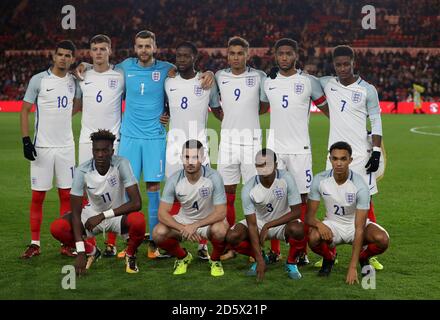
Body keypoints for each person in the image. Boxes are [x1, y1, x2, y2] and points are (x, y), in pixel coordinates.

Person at [77, 30, 214, 259]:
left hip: (155, 139)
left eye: (147, 46)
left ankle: (153, 243)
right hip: (129, 137)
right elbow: (100, 67)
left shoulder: (166, 70)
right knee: (118, 189)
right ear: (134, 47)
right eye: (139, 46)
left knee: (153, 190)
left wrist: (208, 72)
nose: (143, 50)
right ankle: (115, 242)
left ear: (155, 47)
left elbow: (186, 77)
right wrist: (83, 64)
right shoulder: (124, 68)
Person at [318, 45, 384, 270]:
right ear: (333, 65)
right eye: (339, 65)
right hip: (335, 155)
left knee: (367, 200)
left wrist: (376, 151)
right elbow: (303, 78)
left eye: (347, 64)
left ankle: (368, 254)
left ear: (354, 62)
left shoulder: (368, 89)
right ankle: (331, 250)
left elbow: (376, 121)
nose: (343, 68)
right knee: (331, 199)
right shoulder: (327, 83)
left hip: (361, 157)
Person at [263, 38, 329, 265]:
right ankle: (274, 250)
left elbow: (328, 109)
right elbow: (260, 107)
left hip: (300, 150)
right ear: (275, 55)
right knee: (274, 197)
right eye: (280, 53)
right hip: (275, 150)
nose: (284, 57)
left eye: (288, 53)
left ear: (296, 55)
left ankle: (301, 251)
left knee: (302, 200)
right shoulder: (268, 81)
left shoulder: (309, 81)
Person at [49, 130, 146, 274]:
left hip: (116, 215)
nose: (100, 155)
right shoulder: (82, 170)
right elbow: (75, 213)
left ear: (112, 151)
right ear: (92, 151)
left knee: (138, 221)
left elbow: (136, 203)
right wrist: (81, 251)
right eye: (97, 150)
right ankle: (92, 251)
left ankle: (130, 254)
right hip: (91, 214)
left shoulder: (121, 164)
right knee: (57, 228)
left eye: (105, 151)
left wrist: (102, 216)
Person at [20, 40, 81, 258]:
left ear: (73, 59)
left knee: (66, 195)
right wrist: (26, 140)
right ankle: (35, 243)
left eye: (68, 55)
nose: (64, 58)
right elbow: (25, 110)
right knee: (38, 196)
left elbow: (79, 104)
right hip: (42, 148)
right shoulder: (39, 80)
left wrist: (63, 117)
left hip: (65, 147)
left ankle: (66, 243)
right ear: (53, 56)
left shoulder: (75, 81)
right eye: (60, 54)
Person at [214, 36, 270, 260]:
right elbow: (215, 106)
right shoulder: (219, 76)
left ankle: (253, 244)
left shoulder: (259, 77)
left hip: (251, 144)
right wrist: (230, 120)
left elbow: (264, 105)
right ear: (227, 55)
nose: (235, 57)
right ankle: (230, 244)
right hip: (227, 143)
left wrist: (246, 118)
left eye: (240, 53)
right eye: (232, 53)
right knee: (227, 195)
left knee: (254, 195)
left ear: (248, 54)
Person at [164, 41, 221, 260]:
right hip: (174, 148)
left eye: (186, 56)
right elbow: (164, 108)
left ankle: (202, 245)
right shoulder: (169, 82)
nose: (181, 59)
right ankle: (176, 240)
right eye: (178, 55)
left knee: (204, 198)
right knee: (175, 197)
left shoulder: (206, 81)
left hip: (200, 148)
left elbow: (217, 109)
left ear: (195, 58)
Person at [306, 141, 389, 284]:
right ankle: (329, 257)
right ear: (330, 159)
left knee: (382, 239)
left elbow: (359, 227)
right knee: (313, 237)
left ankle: (363, 257)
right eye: (335, 158)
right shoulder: (319, 180)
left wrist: (352, 267)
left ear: (350, 160)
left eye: (343, 159)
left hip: (355, 225)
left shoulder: (360, 185)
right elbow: (308, 217)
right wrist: (320, 225)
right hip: (332, 225)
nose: (339, 163)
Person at [74, 34, 125, 257]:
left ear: (110, 51)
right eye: (95, 49)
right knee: (88, 190)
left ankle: (112, 242)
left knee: (114, 190)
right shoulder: (82, 75)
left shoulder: (120, 75)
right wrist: (80, 65)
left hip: (114, 141)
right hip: (87, 141)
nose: (99, 53)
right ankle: (90, 243)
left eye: (103, 49)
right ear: (90, 52)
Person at [225, 148, 305, 281]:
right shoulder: (249, 189)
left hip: (282, 222)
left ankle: (291, 262)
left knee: (300, 229)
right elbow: (251, 224)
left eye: (267, 164)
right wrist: (258, 258)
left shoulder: (286, 178)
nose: (264, 168)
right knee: (232, 237)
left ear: (276, 164)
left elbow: (297, 211)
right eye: (259, 165)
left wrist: (269, 225)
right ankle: (262, 257)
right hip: (259, 222)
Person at [153, 140, 228, 277]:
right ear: (182, 158)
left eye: (195, 157)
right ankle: (183, 257)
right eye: (187, 157)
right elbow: (162, 213)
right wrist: (183, 227)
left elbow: (221, 212)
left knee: (221, 230)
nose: (190, 162)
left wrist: (196, 225)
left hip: (208, 221)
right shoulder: (174, 179)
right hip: (184, 220)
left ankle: (215, 260)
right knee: (158, 233)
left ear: (203, 158)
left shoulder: (214, 177)